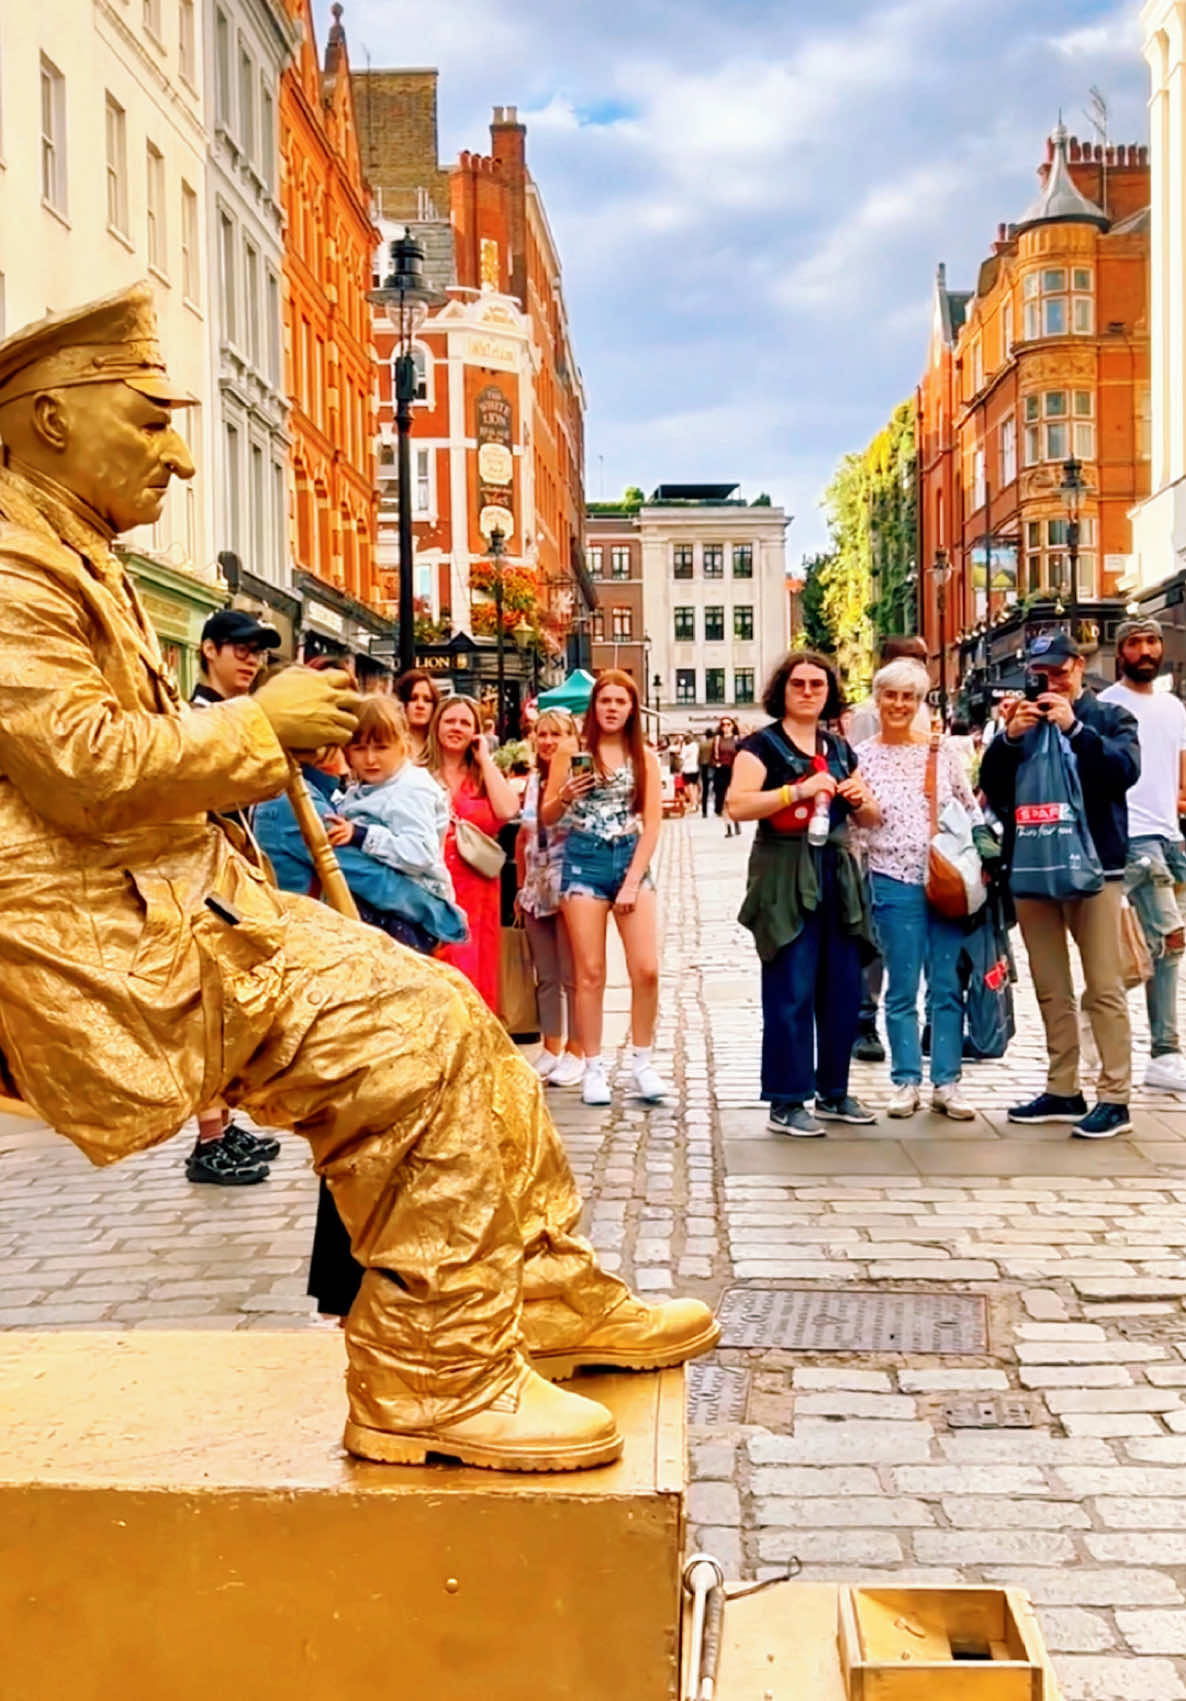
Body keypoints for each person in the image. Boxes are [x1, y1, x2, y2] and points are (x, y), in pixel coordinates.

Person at [0, 282, 718, 1472]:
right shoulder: (13, 566)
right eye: (152, 418)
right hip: (84, 938)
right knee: (405, 1046)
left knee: (454, 1013)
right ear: (56, 418)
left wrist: (247, 737)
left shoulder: (63, 546)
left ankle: (533, 1286)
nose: (180, 453)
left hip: (169, 907)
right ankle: (428, 1379)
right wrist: (255, 725)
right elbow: (82, 766)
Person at [980, 631, 1140, 1139]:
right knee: (1051, 987)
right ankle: (1063, 1087)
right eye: (1041, 672)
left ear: (1078, 664)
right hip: (1032, 867)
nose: (1050, 680)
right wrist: (1007, 741)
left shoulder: (1109, 717)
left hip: (1096, 870)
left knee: (1104, 986)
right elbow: (993, 787)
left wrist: (1075, 730)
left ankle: (1115, 1096)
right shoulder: (1019, 723)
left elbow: (1123, 771)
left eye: (1059, 669)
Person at [728, 650, 879, 1136]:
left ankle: (833, 1090)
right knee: (790, 986)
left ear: (829, 692)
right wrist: (796, 791)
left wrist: (860, 800)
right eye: (800, 684)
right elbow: (737, 805)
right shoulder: (761, 747)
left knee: (842, 986)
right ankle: (787, 1099)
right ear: (783, 690)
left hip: (834, 868)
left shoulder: (839, 749)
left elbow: (871, 817)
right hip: (784, 870)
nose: (809, 691)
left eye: (818, 684)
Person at [856, 659, 982, 1120]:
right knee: (902, 986)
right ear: (878, 699)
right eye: (891, 695)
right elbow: (856, 827)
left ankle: (947, 1082)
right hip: (892, 878)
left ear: (920, 703)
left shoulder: (940, 751)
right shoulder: (863, 756)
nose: (899, 704)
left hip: (945, 879)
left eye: (908, 697)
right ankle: (906, 1080)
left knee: (947, 984)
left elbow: (969, 810)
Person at [186, 608, 283, 1186]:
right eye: (240, 649)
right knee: (207, 1012)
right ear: (209, 651)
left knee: (227, 1012)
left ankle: (222, 1122)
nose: (251, 660)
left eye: (259, 652)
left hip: (230, 879)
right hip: (200, 887)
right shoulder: (196, 720)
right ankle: (208, 1140)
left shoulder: (239, 717)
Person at [543, 670, 665, 1107]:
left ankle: (642, 1061)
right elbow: (547, 816)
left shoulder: (643, 756)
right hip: (583, 860)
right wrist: (566, 795)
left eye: (620, 701)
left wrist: (632, 880)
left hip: (629, 857)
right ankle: (593, 1065)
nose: (612, 708)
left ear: (632, 709)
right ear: (593, 707)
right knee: (589, 972)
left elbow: (653, 822)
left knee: (646, 968)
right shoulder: (571, 750)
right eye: (604, 700)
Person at [1100, 616, 1186, 1094]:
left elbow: (1179, 772)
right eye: (1135, 643)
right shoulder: (1109, 705)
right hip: (1131, 837)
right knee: (1168, 938)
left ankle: (1102, 1016)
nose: (1146, 650)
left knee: (1154, 946)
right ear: (1121, 652)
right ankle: (1165, 1050)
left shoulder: (1174, 707)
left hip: (1168, 837)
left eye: (1152, 640)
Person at [847, 635, 932, 1063]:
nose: (917, 666)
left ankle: (933, 1021)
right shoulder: (868, 718)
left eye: (921, 660)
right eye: (908, 660)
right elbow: (861, 771)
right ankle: (866, 1017)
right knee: (878, 941)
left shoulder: (926, 712)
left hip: (927, 856)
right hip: (878, 851)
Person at [424, 693, 520, 1012]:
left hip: (477, 888)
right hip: (432, 883)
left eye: (465, 722)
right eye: (450, 721)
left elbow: (507, 810)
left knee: (474, 969)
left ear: (476, 731)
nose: (457, 728)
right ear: (436, 726)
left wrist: (485, 759)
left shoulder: (482, 776)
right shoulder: (419, 773)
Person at [517, 710, 584, 1089]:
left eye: (557, 734)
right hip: (536, 884)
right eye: (542, 734)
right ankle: (551, 1047)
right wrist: (521, 885)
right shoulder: (534, 780)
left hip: (569, 881)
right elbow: (524, 835)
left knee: (573, 974)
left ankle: (577, 1050)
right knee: (546, 975)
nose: (548, 741)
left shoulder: (577, 780)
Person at [394, 667, 440, 761]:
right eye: (413, 698)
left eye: (427, 700)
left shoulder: (440, 747)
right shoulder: (391, 745)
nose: (420, 705)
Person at [713, 717, 741, 833]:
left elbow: (742, 755)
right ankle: (728, 826)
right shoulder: (717, 740)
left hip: (734, 771)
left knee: (732, 799)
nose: (725, 727)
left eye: (728, 724)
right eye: (723, 725)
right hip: (721, 772)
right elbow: (713, 757)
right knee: (723, 800)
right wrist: (716, 763)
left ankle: (736, 822)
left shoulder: (737, 739)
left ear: (733, 726)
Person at [697, 726, 717, 819]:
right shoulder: (714, 742)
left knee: (705, 789)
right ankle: (718, 808)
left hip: (703, 766)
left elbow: (699, 757)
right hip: (713, 766)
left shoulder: (702, 743)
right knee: (717, 787)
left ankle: (704, 811)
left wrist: (700, 766)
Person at [680, 733, 701, 814]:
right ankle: (695, 803)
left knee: (689, 787)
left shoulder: (685, 747)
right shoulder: (695, 745)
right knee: (695, 786)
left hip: (687, 769)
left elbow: (682, 757)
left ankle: (693, 804)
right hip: (695, 768)